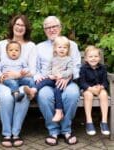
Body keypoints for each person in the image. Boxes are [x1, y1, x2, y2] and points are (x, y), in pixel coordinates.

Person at [34, 16, 81, 146]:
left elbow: (77, 66)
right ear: (44, 30)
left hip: (67, 81)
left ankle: (66, 130)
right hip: (48, 81)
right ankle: (53, 131)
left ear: (60, 27)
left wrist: (68, 77)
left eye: (54, 26)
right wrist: (39, 77)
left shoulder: (72, 45)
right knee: (44, 95)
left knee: (72, 94)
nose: (51, 29)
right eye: (48, 27)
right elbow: (35, 69)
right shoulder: (39, 47)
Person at [0, 14, 36, 147]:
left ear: (26, 28)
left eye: (22, 25)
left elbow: (33, 70)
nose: (19, 27)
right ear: (12, 26)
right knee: (7, 97)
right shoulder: (2, 44)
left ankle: (16, 133)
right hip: (4, 81)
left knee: (23, 96)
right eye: (17, 24)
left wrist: (18, 74)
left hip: (22, 80)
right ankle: (7, 134)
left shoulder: (30, 46)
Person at [24, 36, 73, 122]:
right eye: (60, 47)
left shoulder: (68, 59)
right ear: (55, 49)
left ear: (68, 49)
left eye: (65, 47)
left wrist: (62, 75)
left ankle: (59, 111)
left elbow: (70, 71)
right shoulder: (53, 59)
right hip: (53, 79)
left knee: (57, 91)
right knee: (43, 81)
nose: (62, 49)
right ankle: (33, 91)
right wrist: (50, 75)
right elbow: (48, 70)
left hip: (63, 81)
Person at [79, 45, 110, 136]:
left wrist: (101, 87)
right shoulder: (83, 68)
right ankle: (89, 121)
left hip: (99, 89)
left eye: (96, 56)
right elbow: (81, 82)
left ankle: (104, 122)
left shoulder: (103, 68)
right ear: (86, 59)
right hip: (87, 89)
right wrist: (90, 89)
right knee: (88, 95)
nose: (93, 59)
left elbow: (105, 82)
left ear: (99, 58)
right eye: (90, 57)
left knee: (104, 94)